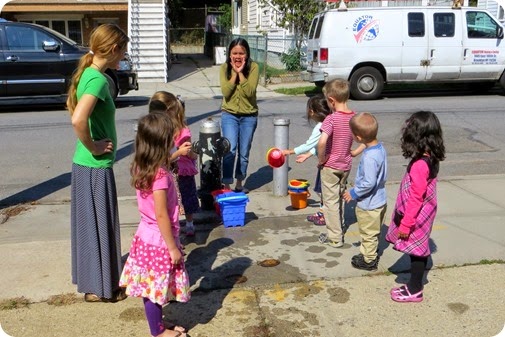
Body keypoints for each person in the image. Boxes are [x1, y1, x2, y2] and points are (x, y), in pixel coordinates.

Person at [67, 23, 129, 303]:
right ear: (114, 49)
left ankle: (101, 282)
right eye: (123, 51)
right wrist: (93, 146)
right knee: (98, 226)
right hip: (93, 166)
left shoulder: (92, 73)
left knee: (95, 226)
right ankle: (98, 289)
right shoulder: (97, 79)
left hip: (89, 166)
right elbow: (78, 119)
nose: (124, 57)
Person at [120, 113, 191, 337]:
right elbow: (161, 214)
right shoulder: (160, 174)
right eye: (171, 138)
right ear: (163, 142)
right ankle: (158, 332)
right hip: (160, 240)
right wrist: (172, 248)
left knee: (151, 286)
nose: (174, 141)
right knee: (155, 289)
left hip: (146, 235)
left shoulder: (143, 165)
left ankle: (157, 324)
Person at [386, 110, 445, 303]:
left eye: (409, 129)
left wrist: (406, 223)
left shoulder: (421, 164)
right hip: (422, 214)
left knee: (417, 252)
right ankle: (414, 284)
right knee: (416, 249)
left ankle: (415, 289)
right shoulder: (430, 157)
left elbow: (416, 198)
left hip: (416, 216)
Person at [316, 79, 364, 248]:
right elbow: (366, 139)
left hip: (330, 166)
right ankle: (340, 226)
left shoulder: (331, 119)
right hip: (346, 166)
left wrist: (321, 159)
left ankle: (335, 238)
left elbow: (322, 142)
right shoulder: (354, 117)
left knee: (330, 202)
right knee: (340, 197)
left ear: (331, 100)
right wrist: (354, 152)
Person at [150, 91, 199, 236]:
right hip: (169, 171)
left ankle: (188, 223)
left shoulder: (181, 130)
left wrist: (191, 154)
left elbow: (188, 150)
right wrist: (180, 153)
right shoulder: (160, 132)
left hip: (181, 169)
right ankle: (173, 231)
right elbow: (162, 159)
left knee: (186, 198)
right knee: (173, 203)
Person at [342, 112, 388, 271]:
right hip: (380, 200)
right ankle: (369, 252)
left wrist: (353, 193)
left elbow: (369, 182)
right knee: (373, 232)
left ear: (359, 138)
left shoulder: (369, 158)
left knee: (368, 233)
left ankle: (369, 261)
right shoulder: (379, 147)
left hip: (369, 204)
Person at [281, 94, 331, 226]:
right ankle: (325, 212)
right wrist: (309, 155)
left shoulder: (321, 126)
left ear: (312, 111)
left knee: (323, 191)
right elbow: (323, 144)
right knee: (329, 191)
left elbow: (309, 144)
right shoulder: (332, 121)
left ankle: (326, 215)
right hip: (336, 162)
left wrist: (289, 151)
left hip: (326, 164)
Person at [220, 37, 260, 193]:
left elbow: (250, 92)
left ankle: (239, 183)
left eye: (241, 53)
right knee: (229, 150)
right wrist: (234, 75)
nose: (238, 56)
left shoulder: (254, 67)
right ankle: (226, 185)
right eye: (234, 53)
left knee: (244, 152)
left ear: (247, 54)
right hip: (229, 115)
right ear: (230, 54)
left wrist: (241, 73)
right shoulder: (224, 68)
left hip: (249, 117)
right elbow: (226, 92)